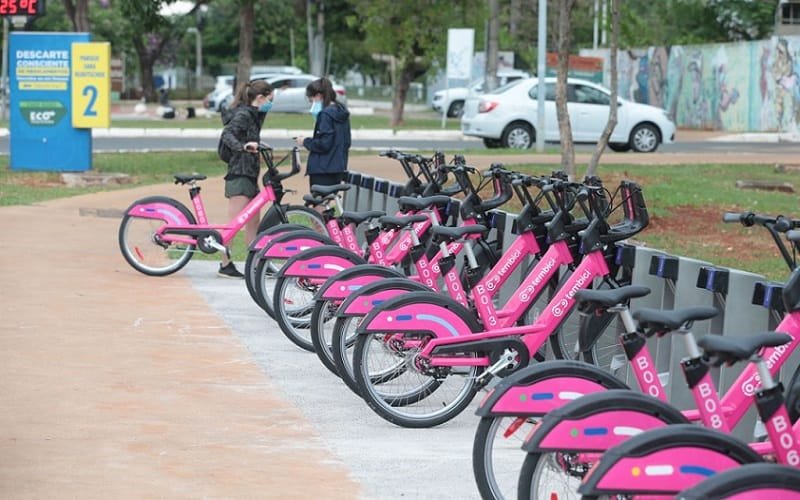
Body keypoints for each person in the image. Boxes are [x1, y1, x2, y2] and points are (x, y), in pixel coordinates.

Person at [217, 79, 274, 278]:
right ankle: (225, 264)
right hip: (239, 173)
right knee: (234, 223)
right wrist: (243, 147)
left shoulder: (254, 114)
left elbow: (246, 136)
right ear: (259, 98)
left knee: (253, 222)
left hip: (250, 173)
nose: (270, 104)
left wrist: (256, 143)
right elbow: (228, 134)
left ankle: (255, 264)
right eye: (269, 99)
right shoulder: (244, 114)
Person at [295, 78, 351, 192]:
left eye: (311, 100)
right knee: (328, 204)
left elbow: (324, 144)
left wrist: (305, 141)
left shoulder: (325, 115)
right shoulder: (341, 111)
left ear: (319, 96)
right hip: (338, 167)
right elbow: (346, 141)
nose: (311, 104)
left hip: (322, 169)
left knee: (319, 206)